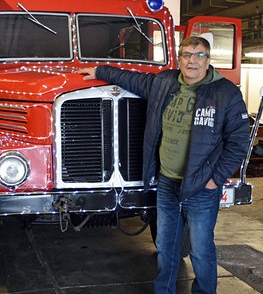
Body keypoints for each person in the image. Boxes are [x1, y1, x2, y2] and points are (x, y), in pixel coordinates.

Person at [79, 36, 250, 293]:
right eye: (186, 55)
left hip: (203, 186)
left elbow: (238, 141)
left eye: (199, 55)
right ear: (179, 58)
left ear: (208, 60)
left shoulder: (226, 92)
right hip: (167, 182)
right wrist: (99, 71)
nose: (192, 61)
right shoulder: (164, 83)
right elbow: (131, 79)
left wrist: (216, 177)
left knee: (201, 249)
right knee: (165, 245)